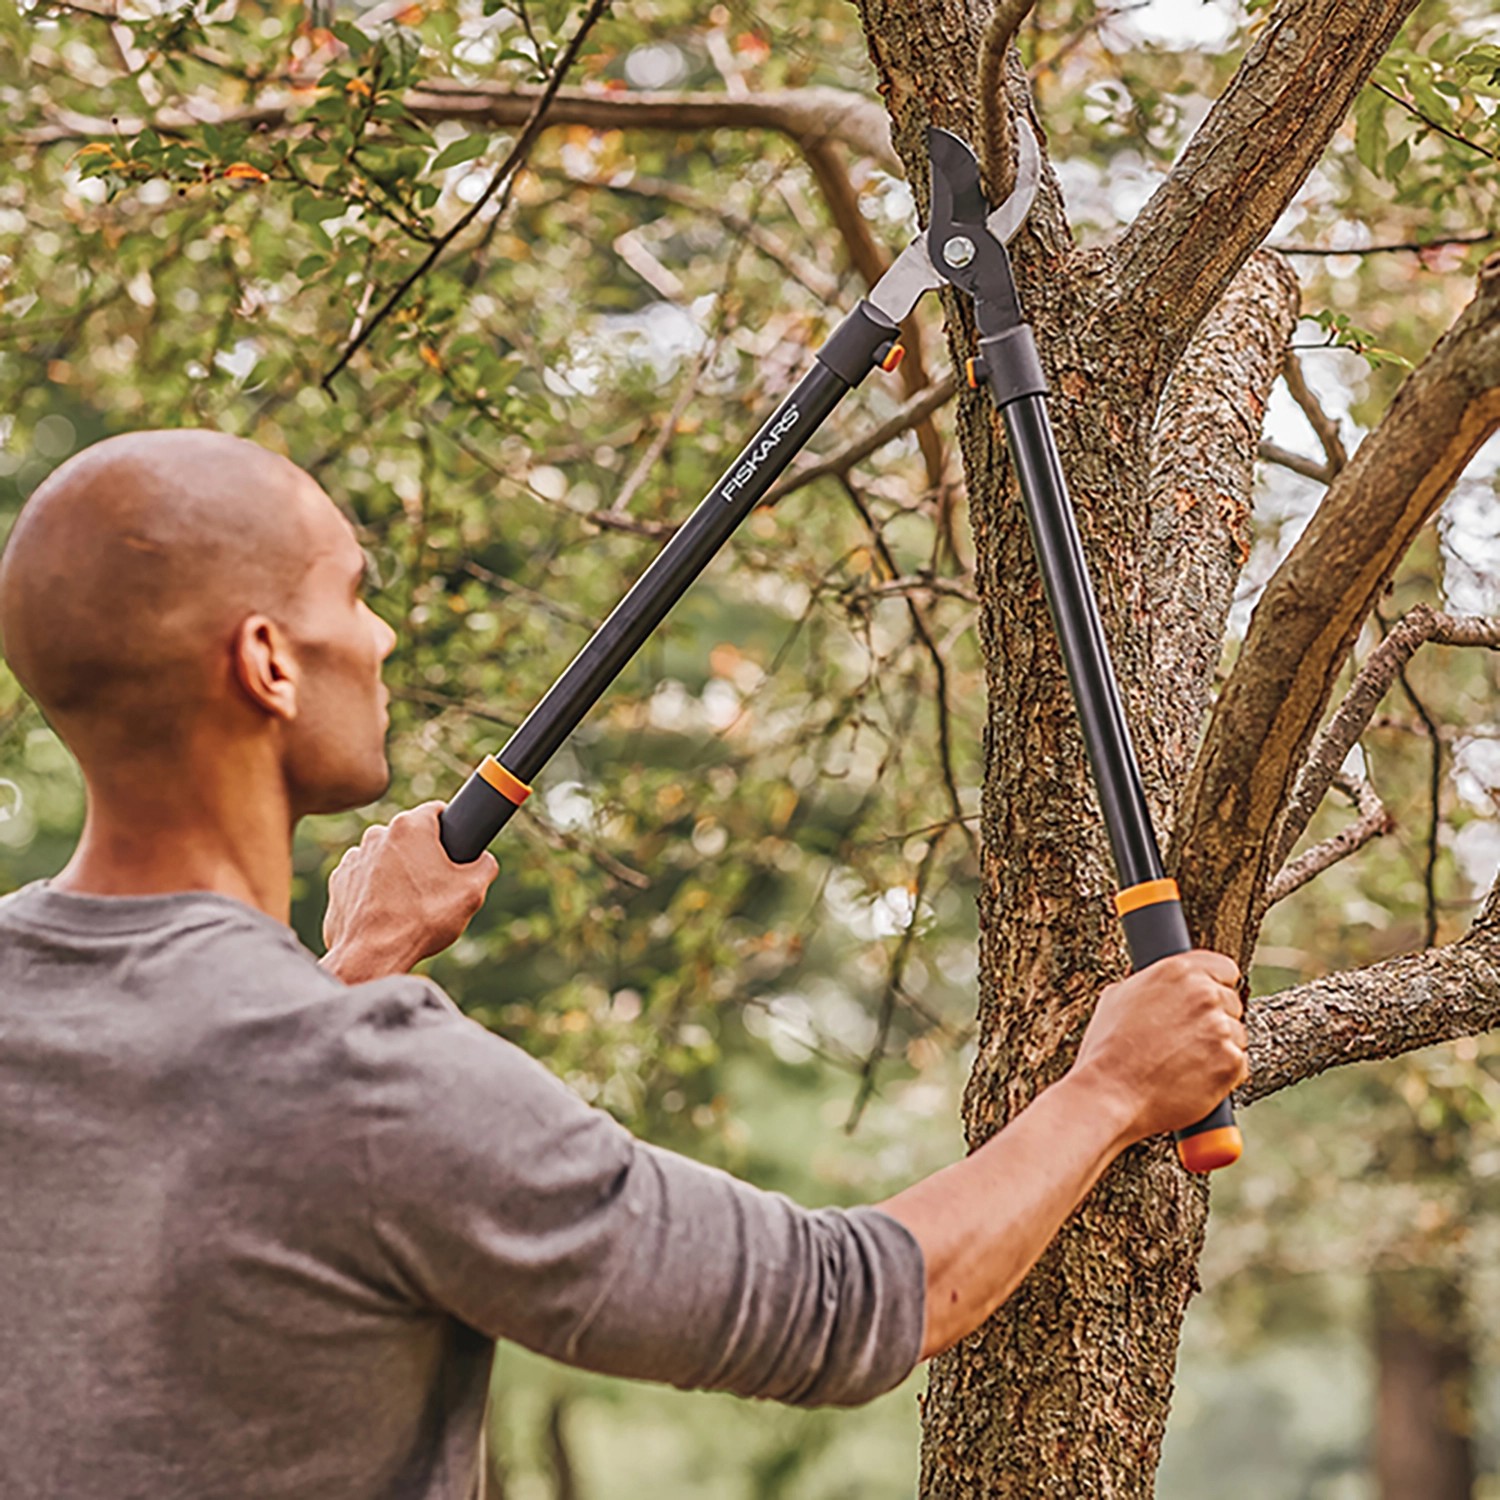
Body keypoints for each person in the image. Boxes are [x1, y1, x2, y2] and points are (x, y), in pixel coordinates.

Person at [0, 430, 1247, 1499]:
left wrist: (357, 961)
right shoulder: (370, 1089)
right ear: (269, 661)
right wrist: (1113, 1088)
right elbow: (851, 1302)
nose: (378, 637)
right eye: (355, 593)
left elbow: (208, 1141)